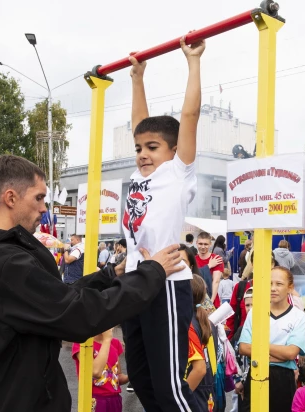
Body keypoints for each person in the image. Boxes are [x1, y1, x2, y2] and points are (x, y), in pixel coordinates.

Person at [0, 154, 186, 412]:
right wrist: (152, 273)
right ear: (10, 198)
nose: (45, 208)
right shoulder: (4, 262)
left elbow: (53, 301)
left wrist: (111, 275)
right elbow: (78, 315)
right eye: (38, 198)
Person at [121, 35, 205, 412]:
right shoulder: (141, 176)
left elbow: (188, 118)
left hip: (167, 286)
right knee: (141, 378)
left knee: (170, 386)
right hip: (137, 282)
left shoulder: (177, 173)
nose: (142, 154)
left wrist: (193, 61)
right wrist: (137, 77)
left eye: (152, 148)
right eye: (139, 148)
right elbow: (142, 125)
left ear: (173, 150)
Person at [237, 266, 305, 411]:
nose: (273, 288)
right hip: (256, 372)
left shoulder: (299, 317)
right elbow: (244, 347)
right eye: (269, 283)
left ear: (290, 287)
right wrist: (280, 355)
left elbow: (291, 353)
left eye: (279, 284)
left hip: (283, 379)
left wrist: (259, 346)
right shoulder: (255, 313)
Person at [72, 328, 128, 412]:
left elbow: (117, 376)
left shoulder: (115, 343)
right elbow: (95, 372)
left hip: (115, 399)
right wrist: (107, 340)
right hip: (95, 399)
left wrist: (132, 375)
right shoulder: (83, 344)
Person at [186, 274, 215, 412]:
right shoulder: (205, 320)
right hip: (207, 392)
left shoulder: (189, 325)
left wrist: (181, 398)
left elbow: (199, 369)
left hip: (195, 393)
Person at [195, 232, 224, 306]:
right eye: (200, 244)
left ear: (210, 244)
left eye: (206, 244)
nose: (203, 247)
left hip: (211, 297)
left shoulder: (216, 259)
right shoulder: (193, 259)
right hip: (196, 298)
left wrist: (211, 300)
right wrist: (209, 266)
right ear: (196, 243)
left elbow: (216, 281)